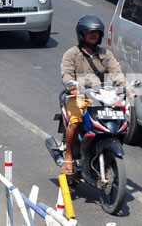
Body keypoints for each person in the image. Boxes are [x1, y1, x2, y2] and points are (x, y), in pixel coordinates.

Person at [59, 15, 126, 175]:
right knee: (75, 122)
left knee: (121, 120)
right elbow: (66, 75)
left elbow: (117, 73)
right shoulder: (71, 54)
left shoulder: (106, 54)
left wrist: (126, 88)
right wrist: (72, 87)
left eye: (96, 32)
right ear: (82, 34)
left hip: (102, 96)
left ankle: (107, 149)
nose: (93, 35)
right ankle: (68, 157)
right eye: (90, 32)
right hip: (78, 96)